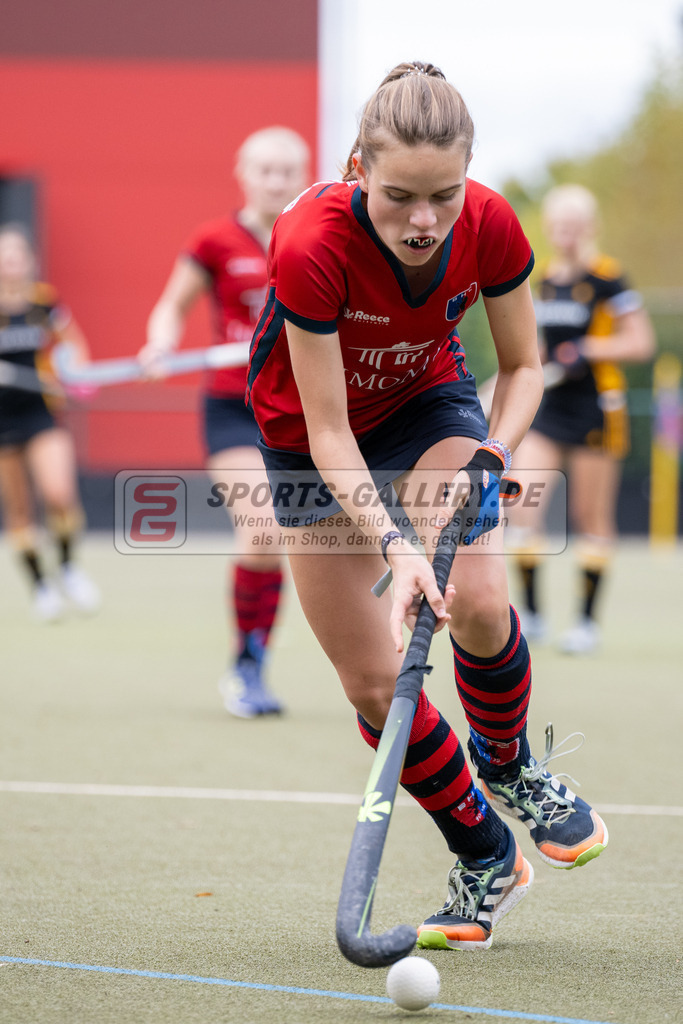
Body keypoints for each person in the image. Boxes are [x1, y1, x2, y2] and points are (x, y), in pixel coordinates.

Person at [246, 62, 608, 951]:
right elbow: (329, 434)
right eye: (400, 195)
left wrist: (491, 452)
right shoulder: (310, 243)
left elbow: (521, 368)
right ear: (357, 169)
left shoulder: (486, 221)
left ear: (468, 176)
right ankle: (484, 853)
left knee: (478, 598)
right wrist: (395, 548)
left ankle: (512, 764)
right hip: (309, 438)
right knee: (373, 684)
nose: (423, 221)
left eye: (442, 196)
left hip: (428, 407)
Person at [139, 126, 310, 719]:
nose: (276, 181)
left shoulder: (318, 234)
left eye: (288, 171)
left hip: (302, 412)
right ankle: (248, 665)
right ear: (242, 174)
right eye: (265, 170)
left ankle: (266, 658)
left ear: (303, 174)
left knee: (306, 543)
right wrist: (159, 345)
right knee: (262, 530)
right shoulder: (214, 239)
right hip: (234, 410)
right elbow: (172, 305)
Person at [508, 184, 655, 654]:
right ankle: (531, 615)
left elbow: (640, 342)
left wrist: (588, 349)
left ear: (590, 228)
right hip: (551, 408)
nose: (566, 235)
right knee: (522, 507)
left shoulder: (609, 278)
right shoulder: (545, 278)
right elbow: (538, 345)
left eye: (575, 226)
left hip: (597, 407)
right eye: (559, 226)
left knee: (590, 517)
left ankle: (586, 624)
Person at [0, 222, 101, 622]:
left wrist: (73, 373)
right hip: (2, 421)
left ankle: (68, 567)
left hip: (40, 411)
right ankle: (41, 586)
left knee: (59, 494)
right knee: (20, 510)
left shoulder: (44, 302)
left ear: (29, 261)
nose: (10, 264)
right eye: (3, 258)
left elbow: (74, 344)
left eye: (16, 256)